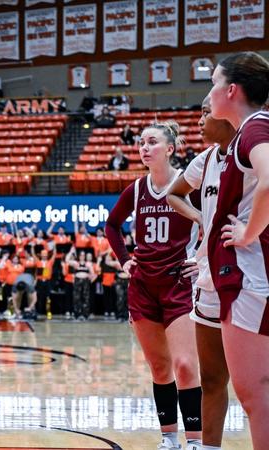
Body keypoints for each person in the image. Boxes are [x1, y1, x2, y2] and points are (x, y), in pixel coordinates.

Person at [105, 121, 202, 450]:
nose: (144, 148)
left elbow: (215, 221)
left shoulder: (189, 184)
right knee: (160, 367)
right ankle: (169, 438)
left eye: (152, 142)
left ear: (170, 149)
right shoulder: (136, 189)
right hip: (144, 285)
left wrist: (201, 259)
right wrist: (124, 260)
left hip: (178, 282)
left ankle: (195, 440)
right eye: (141, 143)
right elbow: (112, 225)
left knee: (185, 365)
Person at [205, 51, 269, 448]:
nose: (209, 91)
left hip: (250, 278)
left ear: (231, 90)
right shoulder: (252, 130)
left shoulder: (254, 128)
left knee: (255, 395)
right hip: (250, 278)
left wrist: (248, 233)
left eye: (213, 82)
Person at [166, 95, 236, 449]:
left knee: (256, 383)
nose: (199, 120)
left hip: (249, 280)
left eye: (206, 112)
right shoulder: (205, 160)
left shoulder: (255, 151)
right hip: (209, 280)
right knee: (211, 379)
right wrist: (199, 218)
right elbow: (174, 194)